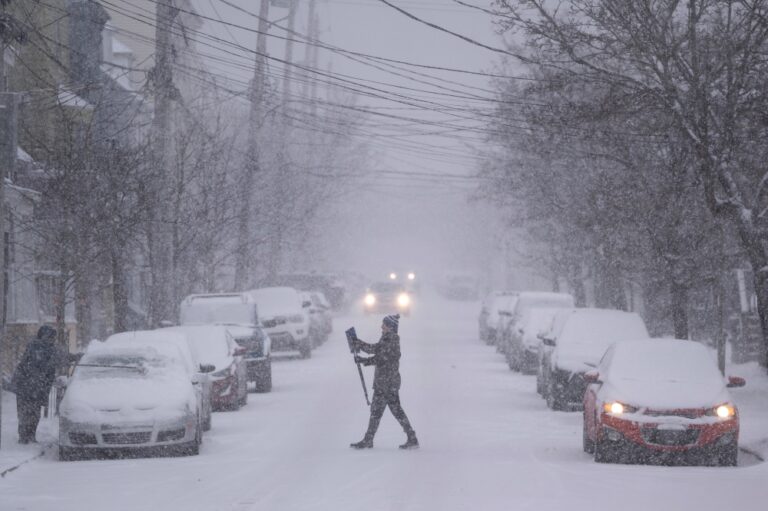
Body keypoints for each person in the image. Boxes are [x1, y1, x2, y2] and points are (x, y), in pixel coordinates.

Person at [350, 314, 419, 450]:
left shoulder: (391, 340)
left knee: (382, 412)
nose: (382, 326)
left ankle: (369, 439)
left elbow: (379, 357)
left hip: (386, 384)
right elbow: (377, 351)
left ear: (390, 327)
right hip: (387, 383)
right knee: (386, 411)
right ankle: (411, 437)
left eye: (384, 324)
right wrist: (359, 344)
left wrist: (363, 359)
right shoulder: (387, 338)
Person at [11, 326, 74, 444]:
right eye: (52, 337)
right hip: (30, 387)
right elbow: (60, 358)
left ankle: (26, 437)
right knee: (30, 413)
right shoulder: (41, 348)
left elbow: (59, 357)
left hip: (28, 386)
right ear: (45, 337)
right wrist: (74, 357)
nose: (53, 340)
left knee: (27, 413)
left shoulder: (37, 346)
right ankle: (25, 437)